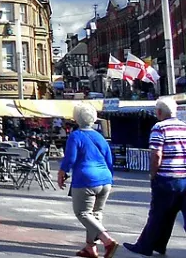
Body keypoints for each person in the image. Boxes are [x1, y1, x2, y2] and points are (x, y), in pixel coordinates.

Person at [125, 97, 186, 256]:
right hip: (184, 177)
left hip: (167, 178)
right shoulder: (184, 127)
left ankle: (144, 246)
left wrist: (153, 174)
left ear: (159, 112)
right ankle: (159, 245)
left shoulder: (159, 127)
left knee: (158, 214)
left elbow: (156, 154)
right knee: (172, 213)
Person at [58, 102, 118, 258]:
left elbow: (70, 158)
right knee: (96, 213)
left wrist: (62, 173)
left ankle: (107, 240)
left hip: (86, 179)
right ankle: (90, 248)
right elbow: (109, 159)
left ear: (77, 118)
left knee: (83, 213)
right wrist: (109, 178)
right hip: (105, 179)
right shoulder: (100, 136)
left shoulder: (76, 135)